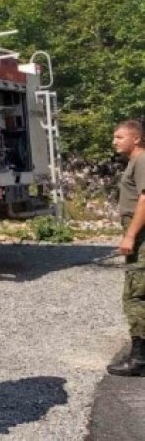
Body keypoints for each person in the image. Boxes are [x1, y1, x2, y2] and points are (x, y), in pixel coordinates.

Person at [107, 119, 145, 376]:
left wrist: (130, 235)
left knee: (134, 296)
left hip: (141, 236)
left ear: (137, 139)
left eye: (119, 137)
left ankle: (139, 360)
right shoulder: (135, 161)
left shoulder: (142, 161)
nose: (115, 141)